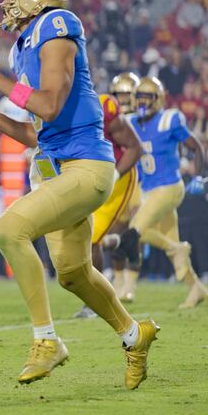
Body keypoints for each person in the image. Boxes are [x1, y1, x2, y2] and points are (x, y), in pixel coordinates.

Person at [0, 0, 158, 389]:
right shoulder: (24, 42)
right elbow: (37, 132)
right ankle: (133, 334)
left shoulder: (58, 23)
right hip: (54, 165)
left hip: (86, 166)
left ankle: (47, 341)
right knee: (71, 272)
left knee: (9, 230)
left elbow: (48, 103)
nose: (6, 1)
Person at [115, 77, 208, 308]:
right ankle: (196, 288)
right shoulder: (131, 123)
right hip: (148, 191)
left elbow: (196, 146)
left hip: (169, 187)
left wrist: (198, 175)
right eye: (140, 97)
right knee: (171, 245)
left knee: (133, 233)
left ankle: (176, 249)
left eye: (148, 97)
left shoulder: (169, 120)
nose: (143, 102)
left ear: (158, 99)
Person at [74, 74, 142, 319]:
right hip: (86, 174)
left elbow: (135, 148)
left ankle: (95, 303)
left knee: (90, 239)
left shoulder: (105, 106)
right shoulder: (58, 107)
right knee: (78, 236)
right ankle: (117, 242)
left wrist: (114, 174)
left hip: (116, 176)